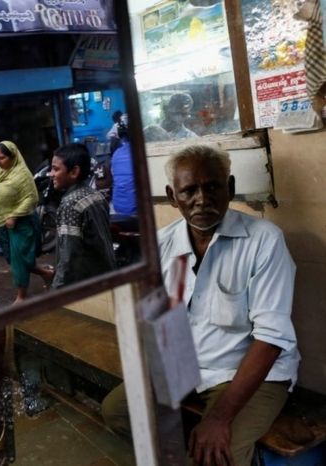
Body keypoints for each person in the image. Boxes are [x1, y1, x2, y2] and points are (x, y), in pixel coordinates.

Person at [101, 145, 300, 466]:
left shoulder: (264, 241)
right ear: (171, 195)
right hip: (188, 365)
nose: (202, 199)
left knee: (221, 456)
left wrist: (219, 419)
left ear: (230, 188)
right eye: (189, 190)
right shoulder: (164, 244)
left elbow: (270, 340)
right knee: (119, 411)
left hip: (248, 372)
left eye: (212, 187)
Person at [0, 141, 53, 303]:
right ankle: (47, 274)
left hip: (21, 223)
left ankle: (21, 296)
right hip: (4, 223)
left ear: (13, 157)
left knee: (19, 260)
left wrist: (14, 215)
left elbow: (32, 198)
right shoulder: (0, 172)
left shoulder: (22, 174)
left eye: (1, 158)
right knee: (16, 258)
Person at [48, 143, 116, 288]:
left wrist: (55, 290)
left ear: (74, 172)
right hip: (106, 274)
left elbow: (68, 258)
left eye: (56, 169)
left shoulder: (69, 204)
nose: (51, 174)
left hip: (87, 283)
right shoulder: (96, 195)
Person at [110, 122, 137, 216]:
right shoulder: (137, 151)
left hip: (117, 206)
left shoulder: (116, 153)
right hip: (135, 207)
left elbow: (113, 175)